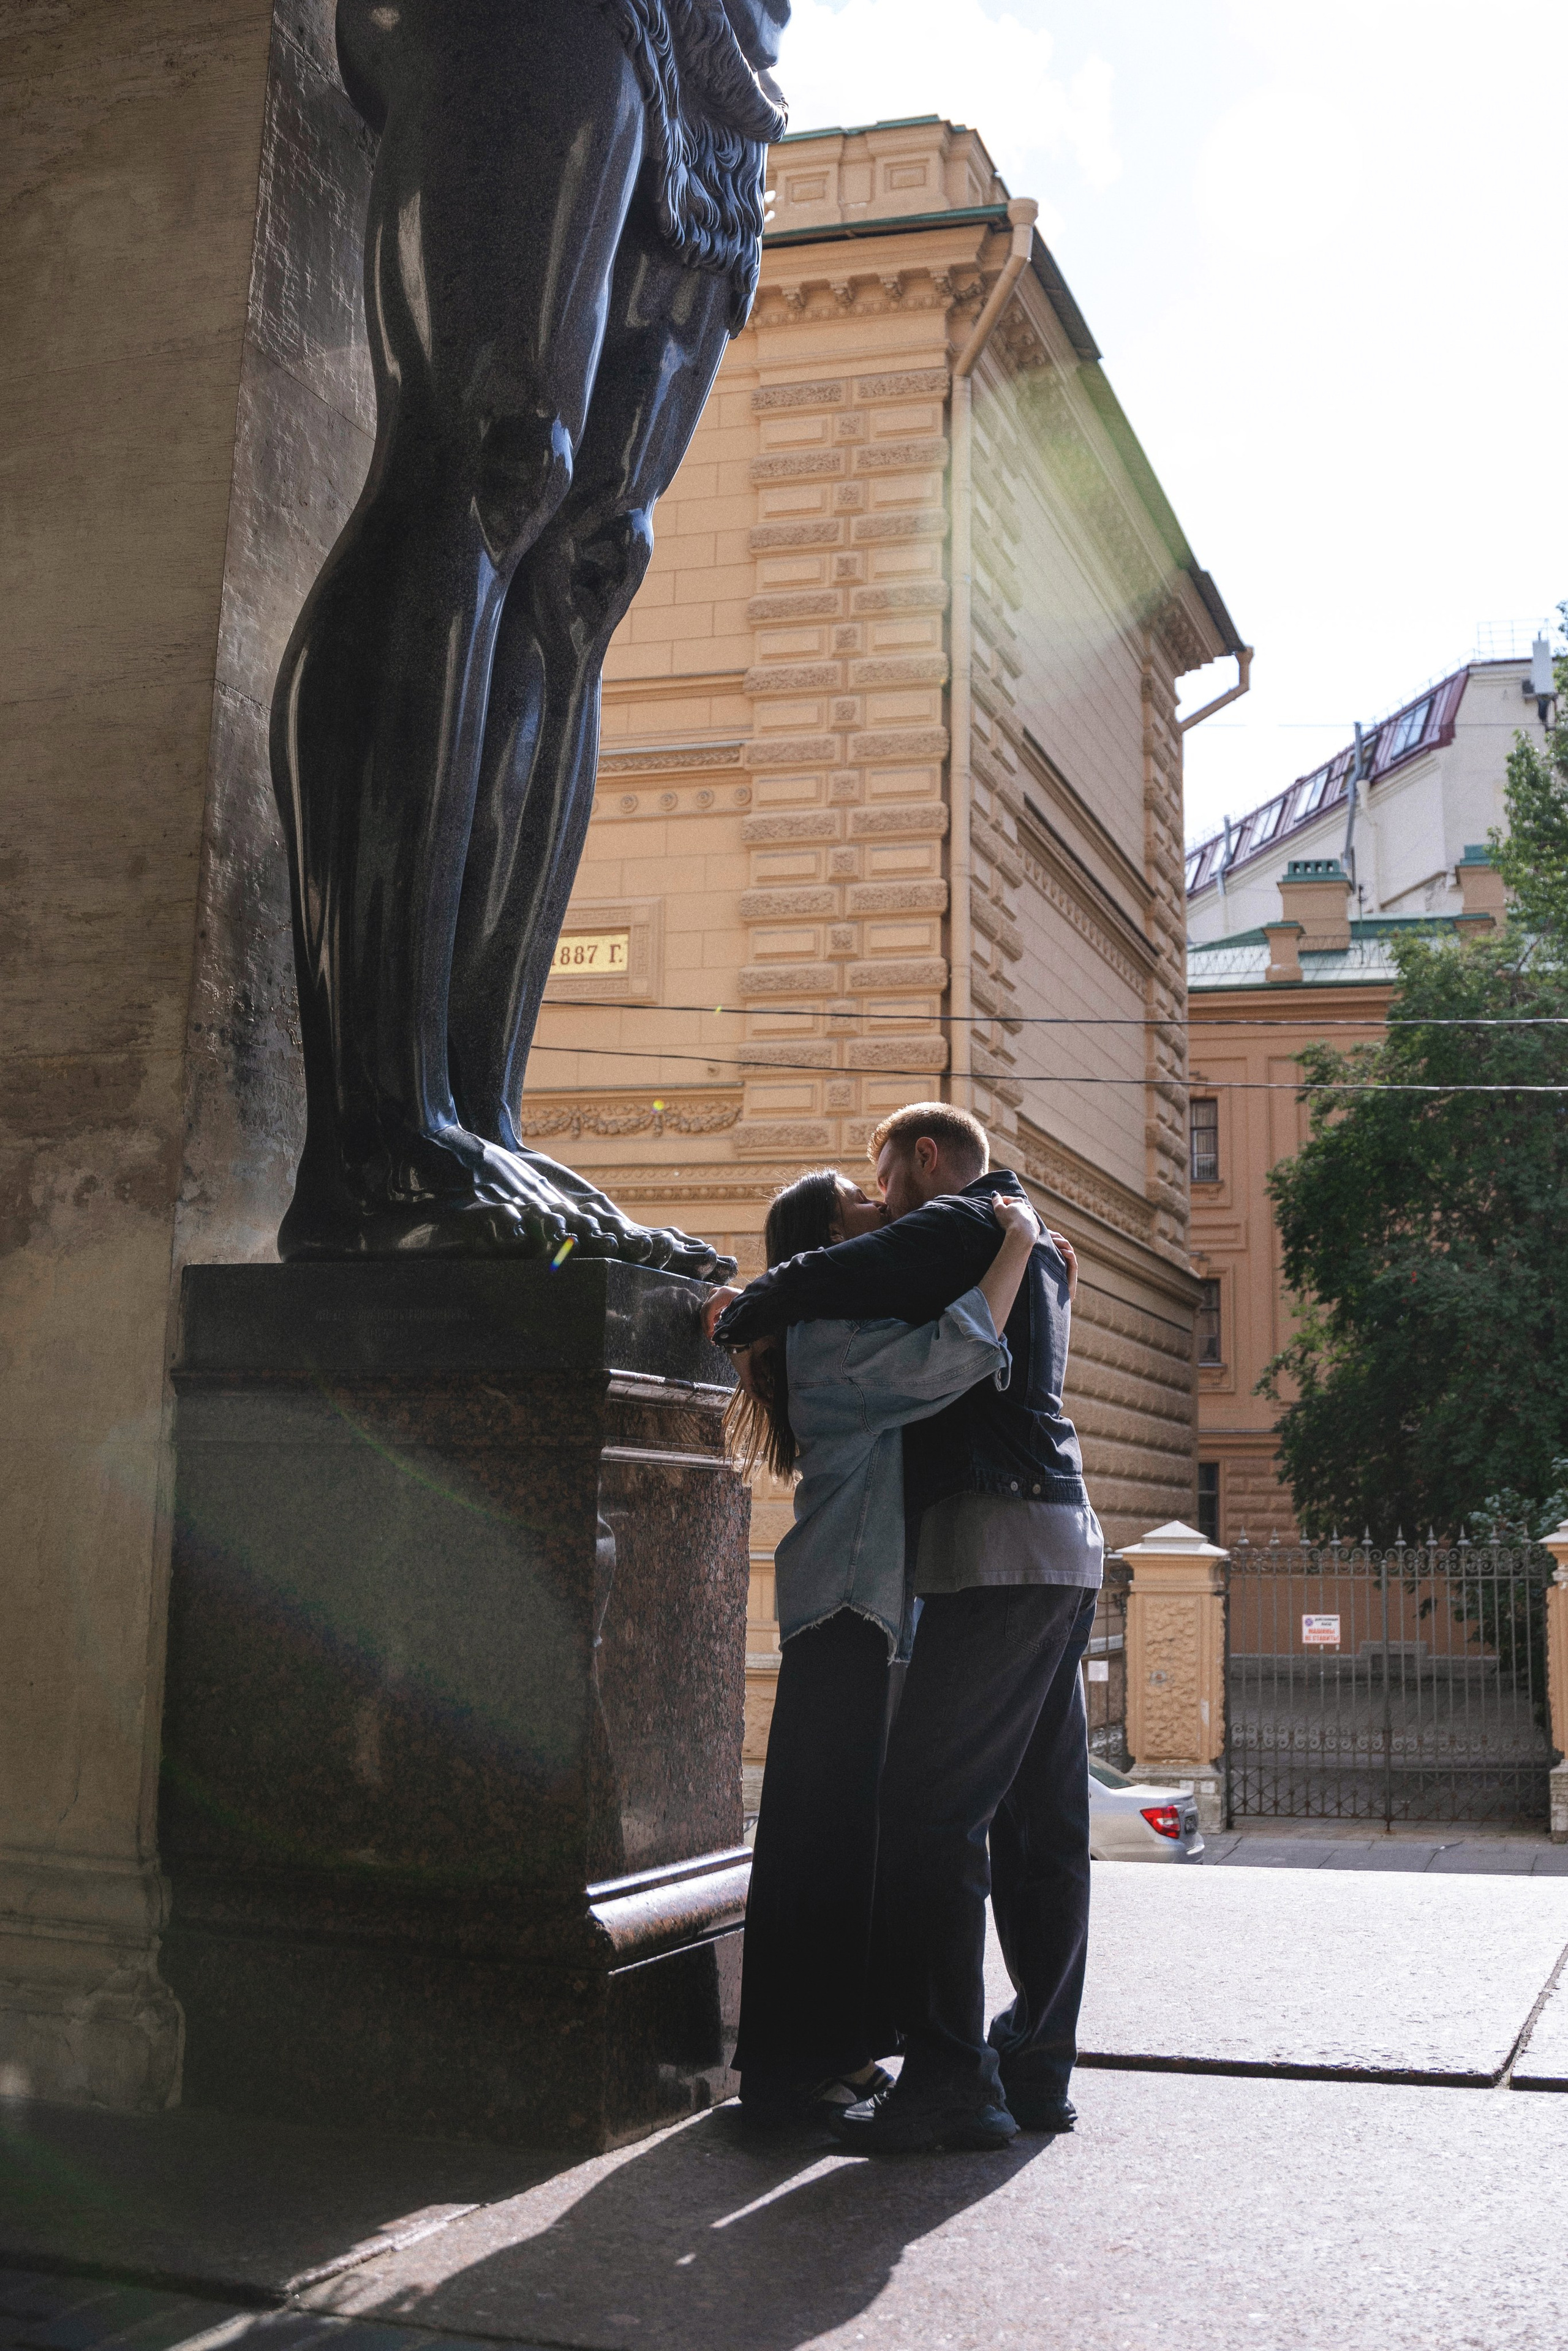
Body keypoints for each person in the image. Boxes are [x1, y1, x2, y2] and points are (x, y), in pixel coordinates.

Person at [270, 1, 789, 1268]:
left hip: (730, 61)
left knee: (586, 569)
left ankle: (472, 1112)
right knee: (494, 451)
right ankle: (378, 1138)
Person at [706, 1102, 1103, 2153]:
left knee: (890, 1833)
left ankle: (898, 2062)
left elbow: (971, 1339)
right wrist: (1020, 1253)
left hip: (905, 1601)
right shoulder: (829, 1331)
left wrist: (1031, 1265)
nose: (877, 1213)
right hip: (847, 1607)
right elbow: (956, 1354)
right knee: (840, 1836)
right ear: (830, 1246)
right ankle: (816, 2066)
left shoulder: (879, 1290)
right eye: (856, 1209)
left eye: (877, 1188)